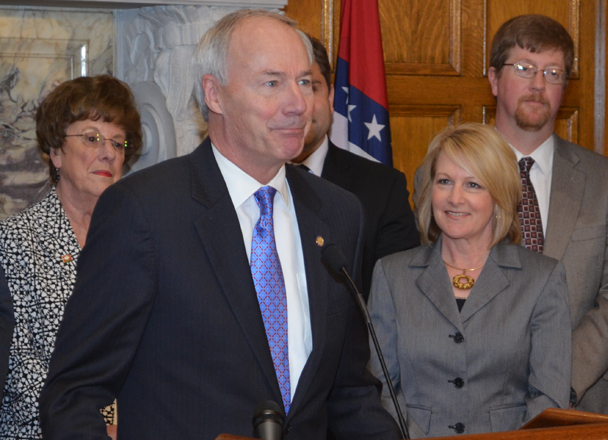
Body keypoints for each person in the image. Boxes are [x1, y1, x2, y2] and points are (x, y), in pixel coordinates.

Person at [39, 10, 402, 440]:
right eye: (272, 83)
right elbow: (73, 394)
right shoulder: (144, 211)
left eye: (304, 82)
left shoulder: (339, 213)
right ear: (215, 94)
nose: (298, 104)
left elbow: (349, 393)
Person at [486, 14, 608, 416]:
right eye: (524, 69)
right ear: (493, 79)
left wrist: (557, 378)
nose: (539, 85)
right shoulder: (448, 177)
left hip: (588, 402)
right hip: (482, 404)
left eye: (554, 73)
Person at [369, 123, 571, 437]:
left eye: (473, 185)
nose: (455, 198)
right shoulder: (391, 276)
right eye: (445, 181)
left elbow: (548, 399)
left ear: (499, 193)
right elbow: (381, 392)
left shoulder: (542, 279)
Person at [0, 75, 141, 439]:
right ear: (57, 151)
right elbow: (18, 370)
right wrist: (94, 428)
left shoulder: (143, 242)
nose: (108, 152)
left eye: (117, 142)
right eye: (92, 138)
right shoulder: (13, 242)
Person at [292, 36, 419, 299]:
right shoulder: (245, 183)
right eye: (279, 86)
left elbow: (398, 299)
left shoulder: (383, 189)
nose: (298, 104)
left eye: (309, 85)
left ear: (330, 97)